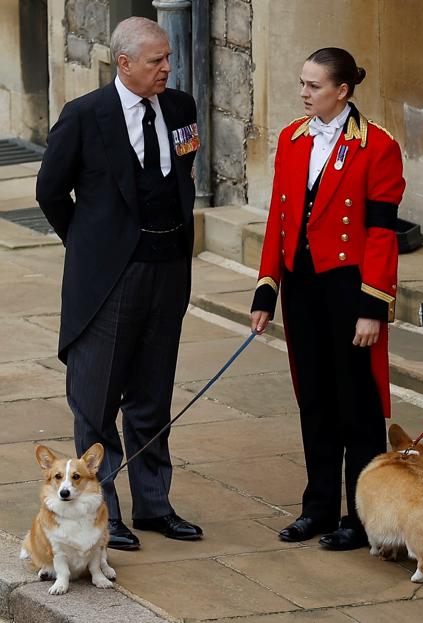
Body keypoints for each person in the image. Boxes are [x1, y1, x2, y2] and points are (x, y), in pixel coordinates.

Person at [36, 17, 203, 550]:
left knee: (152, 396)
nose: (167, 68)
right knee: (97, 399)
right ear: (124, 63)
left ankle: (154, 504)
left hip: (168, 271)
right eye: (157, 61)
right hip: (109, 281)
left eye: (169, 58)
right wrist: (90, 248)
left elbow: (183, 171)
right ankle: (103, 508)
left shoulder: (180, 108)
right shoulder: (84, 116)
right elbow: (49, 192)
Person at [250, 47, 405, 551]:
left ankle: (362, 520)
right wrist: (266, 289)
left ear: (342, 91)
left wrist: (373, 307)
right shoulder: (293, 139)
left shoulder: (378, 146)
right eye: (302, 83)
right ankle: (317, 508)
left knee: (356, 407)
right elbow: (278, 218)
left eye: (314, 86)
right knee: (313, 400)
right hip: (302, 287)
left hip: (350, 289)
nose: (303, 93)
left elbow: (383, 233)